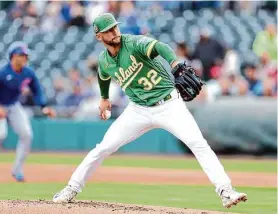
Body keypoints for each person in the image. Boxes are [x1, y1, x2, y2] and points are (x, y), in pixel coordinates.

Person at [53, 13, 247, 208]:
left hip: (169, 105)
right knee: (103, 148)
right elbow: (103, 75)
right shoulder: (104, 60)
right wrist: (104, 98)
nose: (114, 31)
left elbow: (161, 47)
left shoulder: (134, 43)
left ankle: (225, 191)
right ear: (99, 36)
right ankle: (72, 188)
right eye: (108, 30)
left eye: (115, 27)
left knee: (198, 143)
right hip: (138, 110)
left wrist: (174, 64)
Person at [0, 41, 56, 182]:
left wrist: (44, 106)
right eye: (22, 54)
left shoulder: (28, 73)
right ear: (13, 56)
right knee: (1, 134)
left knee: (27, 135)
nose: (25, 57)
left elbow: (37, 90)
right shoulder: (3, 72)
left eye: (26, 55)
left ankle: (17, 169)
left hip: (13, 105)